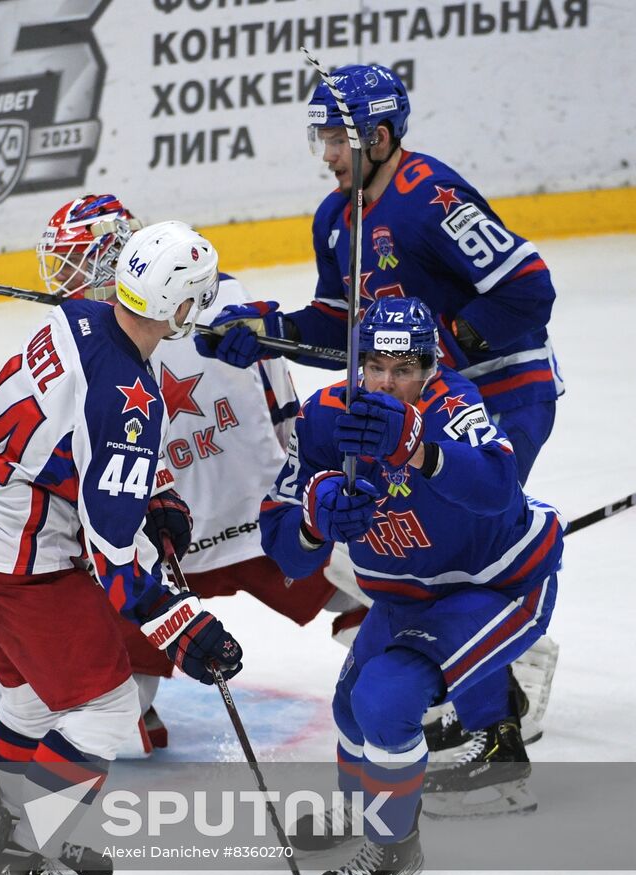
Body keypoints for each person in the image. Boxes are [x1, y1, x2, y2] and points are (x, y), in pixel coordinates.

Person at [196, 63, 560, 754]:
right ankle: (462, 661)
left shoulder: (432, 198)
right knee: (423, 527)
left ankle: (506, 670)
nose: (328, 155)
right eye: (321, 139)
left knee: (476, 522)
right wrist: (268, 332)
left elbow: (527, 290)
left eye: (338, 139)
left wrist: (437, 362)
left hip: (503, 387)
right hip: (415, 393)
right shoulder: (336, 219)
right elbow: (345, 327)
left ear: (382, 137)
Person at [0, 221, 244, 875]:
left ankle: (14, 854)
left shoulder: (78, 315)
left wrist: (155, 492)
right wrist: (184, 629)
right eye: (196, 298)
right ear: (175, 308)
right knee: (107, 704)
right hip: (22, 567)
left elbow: (81, 441)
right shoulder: (129, 394)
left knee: (30, 698)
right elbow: (113, 560)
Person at [258, 296, 562, 875]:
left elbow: (499, 486)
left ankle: (394, 856)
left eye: (406, 369)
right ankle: (364, 808)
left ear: (431, 366)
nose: (389, 382)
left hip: (495, 586)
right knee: (349, 709)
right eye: (376, 367)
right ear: (357, 364)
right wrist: (315, 523)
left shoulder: (453, 406)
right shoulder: (325, 419)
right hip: (406, 592)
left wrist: (421, 451)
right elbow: (285, 545)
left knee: (385, 702)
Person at [35, 194, 365, 748]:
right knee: (114, 716)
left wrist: (298, 485)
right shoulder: (79, 337)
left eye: (75, 261)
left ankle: (438, 667)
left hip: (254, 515)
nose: (64, 279)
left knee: (368, 589)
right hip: (169, 529)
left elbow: (285, 407)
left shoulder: (220, 303)